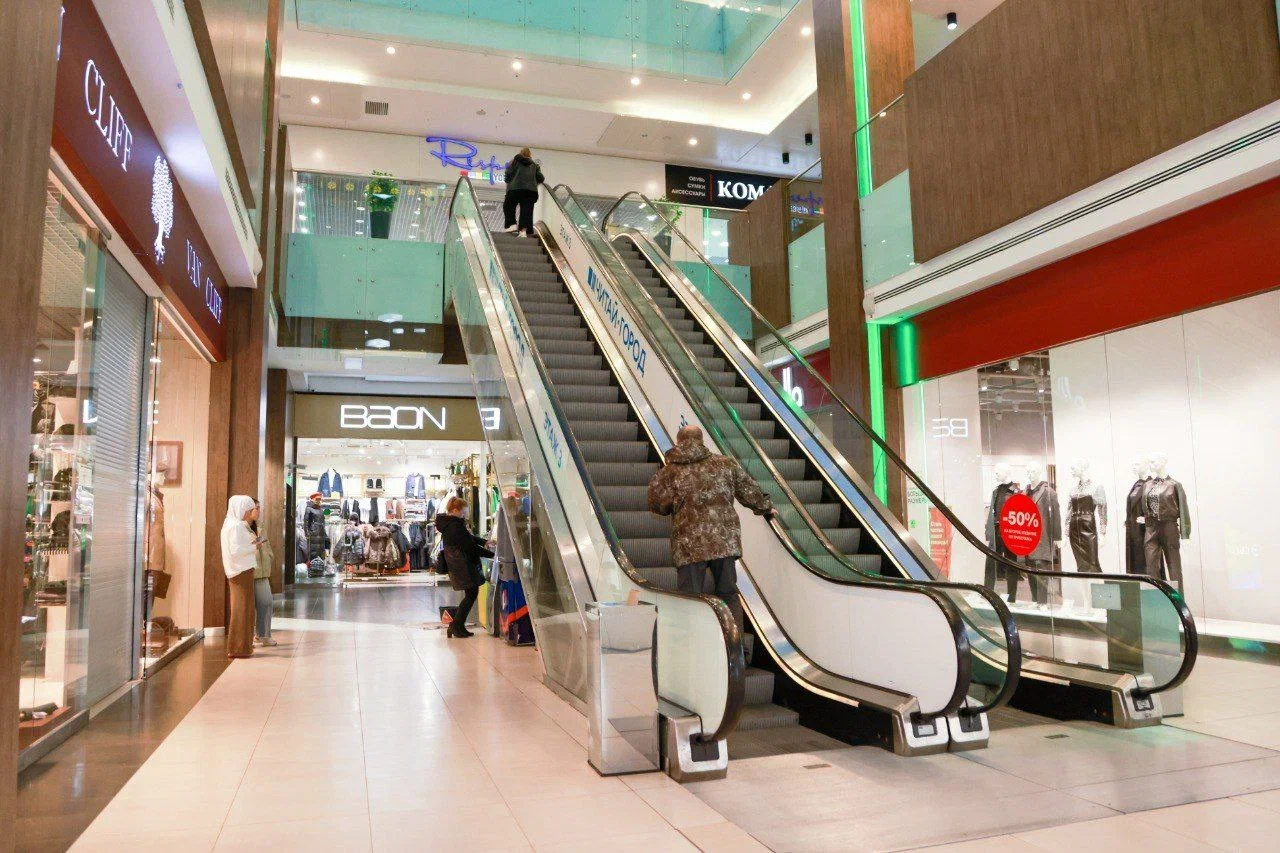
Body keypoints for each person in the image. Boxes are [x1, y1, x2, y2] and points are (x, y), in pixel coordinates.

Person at [647, 425, 775, 625]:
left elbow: (657, 505)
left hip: (688, 545)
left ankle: (694, 640)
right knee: (728, 594)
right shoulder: (725, 464)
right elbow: (748, 490)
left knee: (690, 599)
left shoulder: (668, 472)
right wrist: (766, 507)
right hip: (724, 542)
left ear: (678, 442)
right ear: (701, 441)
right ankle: (735, 642)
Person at [435, 496, 492, 638]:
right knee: (471, 594)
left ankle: (458, 626)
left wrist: (484, 542)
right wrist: (492, 554)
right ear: (455, 510)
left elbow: (468, 539)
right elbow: (470, 547)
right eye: (464, 512)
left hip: (459, 564)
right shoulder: (455, 526)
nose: (465, 515)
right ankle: (455, 626)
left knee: (470, 594)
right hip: (463, 565)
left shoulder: (450, 523)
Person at [220, 495, 259, 659]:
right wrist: (254, 546)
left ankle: (242, 646)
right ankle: (238, 647)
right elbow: (236, 551)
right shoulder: (235, 526)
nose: (249, 514)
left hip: (239, 570)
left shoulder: (231, 524)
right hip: (240, 571)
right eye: (248, 510)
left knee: (243, 609)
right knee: (242, 609)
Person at [250, 502, 277, 647]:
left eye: (260, 508)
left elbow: (267, 545)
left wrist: (269, 555)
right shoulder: (241, 527)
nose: (259, 511)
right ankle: (251, 636)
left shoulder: (260, 525)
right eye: (257, 508)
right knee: (248, 607)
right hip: (248, 570)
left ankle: (264, 635)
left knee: (266, 602)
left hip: (262, 570)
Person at [502, 147, 544, 237]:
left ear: (520, 153)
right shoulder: (535, 165)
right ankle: (523, 231)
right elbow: (541, 178)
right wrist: (533, 181)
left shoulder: (513, 162)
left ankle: (512, 224)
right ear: (530, 155)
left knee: (508, 205)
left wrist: (509, 181)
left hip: (515, 189)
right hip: (531, 191)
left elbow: (508, 175)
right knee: (526, 210)